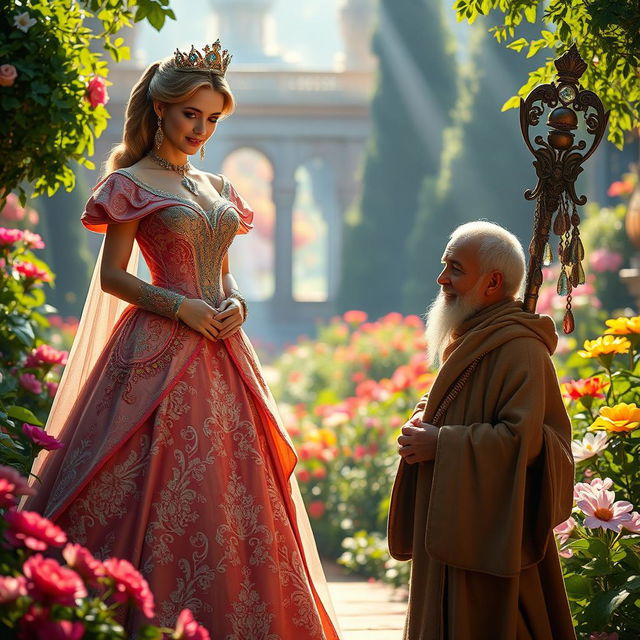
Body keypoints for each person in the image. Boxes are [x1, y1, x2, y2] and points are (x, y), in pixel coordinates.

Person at [25, 41, 341, 639]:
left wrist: (237, 302)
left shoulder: (215, 182)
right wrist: (179, 307)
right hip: (157, 349)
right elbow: (113, 275)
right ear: (161, 110)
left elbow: (221, 269)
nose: (201, 128)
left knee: (234, 485)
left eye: (213, 119)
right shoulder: (130, 182)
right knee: (154, 484)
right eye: (191, 114)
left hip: (223, 349)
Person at [388, 221, 576, 639]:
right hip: (452, 516)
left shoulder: (521, 350)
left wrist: (442, 442)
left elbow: (521, 442)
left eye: (455, 268)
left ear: (492, 283)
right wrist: (425, 415)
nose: (442, 279)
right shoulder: (476, 335)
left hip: (490, 531)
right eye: (444, 266)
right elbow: (463, 398)